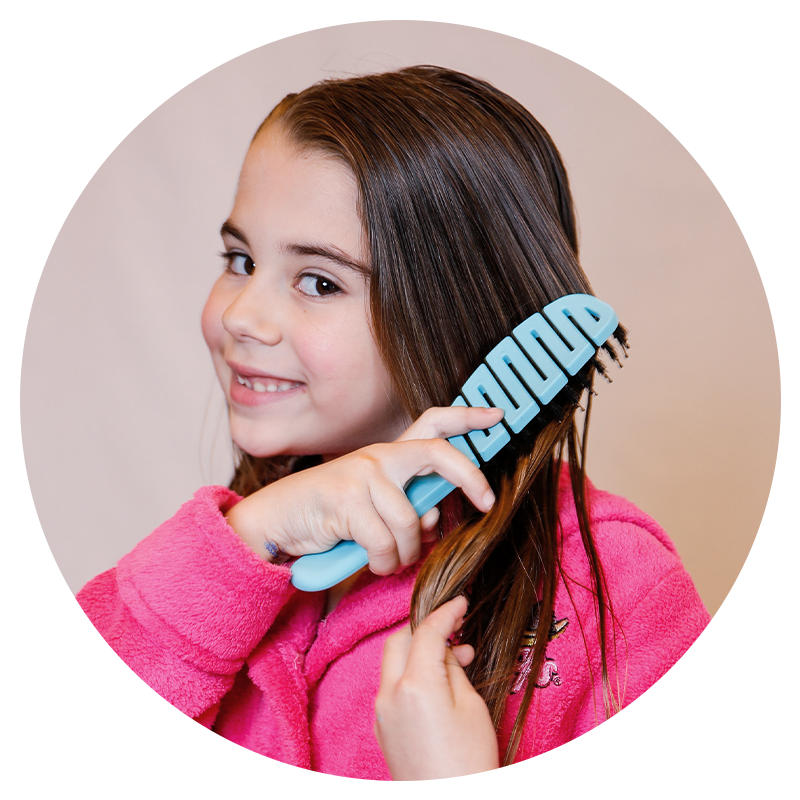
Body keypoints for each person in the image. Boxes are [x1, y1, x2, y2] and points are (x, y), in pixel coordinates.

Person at [20, 65, 754, 781]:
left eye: (318, 281)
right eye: (240, 259)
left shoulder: (610, 586)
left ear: (455, 308)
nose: (241, 315)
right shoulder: (234, 572)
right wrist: (244, 541)